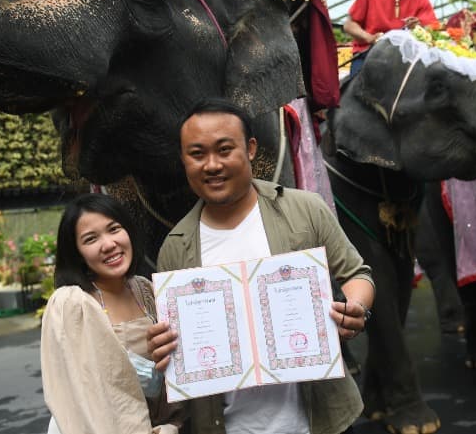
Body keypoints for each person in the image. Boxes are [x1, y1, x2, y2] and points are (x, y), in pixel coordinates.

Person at [147, 98, 375, 434]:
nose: (212, 165)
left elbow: (357, 274)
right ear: (183, 159)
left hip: (319, 419)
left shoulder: (303, 210)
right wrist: (162, 348)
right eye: (197, 154)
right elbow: (174, 344)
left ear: (251, 148)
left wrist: (355, 307)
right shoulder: (176, 247)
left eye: (225, 149)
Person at [41, 194, 182, 434]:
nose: (108, 244)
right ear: (77, 253)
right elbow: (93, 402)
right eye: (91, 239)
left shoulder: (144, 289)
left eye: (114, 229)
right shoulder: (72, 304)